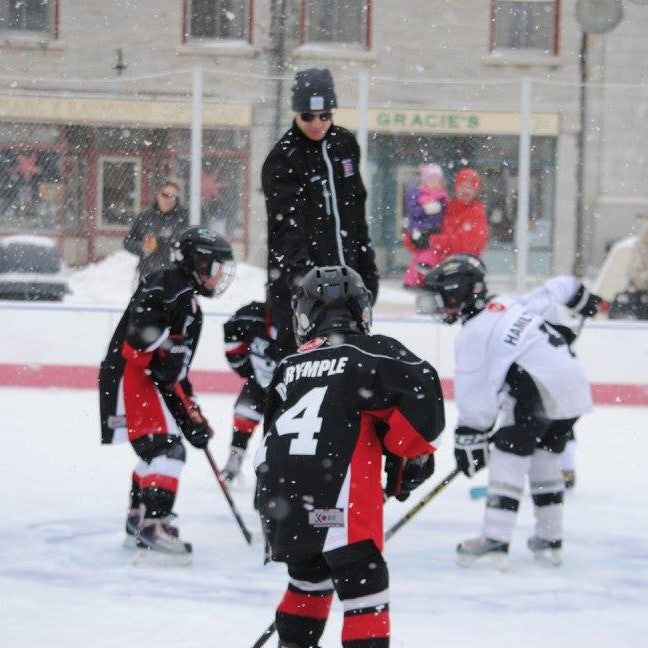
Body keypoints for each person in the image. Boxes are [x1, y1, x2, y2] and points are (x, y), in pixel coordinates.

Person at [256, 265, 445, 648]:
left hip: (279, 502)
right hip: (335, 502)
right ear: (361, 309)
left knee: (308, 578)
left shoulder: (288, 366)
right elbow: (423, 411)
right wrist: (406, 464)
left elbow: (274, 436)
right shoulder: (370, 353)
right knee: (365, 587)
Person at [422, 255, 602, 569]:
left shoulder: (474, 333)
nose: (438, 306)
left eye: (441, 298)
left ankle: (495, 540)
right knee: (546, 457)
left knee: (508, 454)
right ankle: (549, 539)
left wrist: (470, 437)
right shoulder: (506, 304)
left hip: (540, 389)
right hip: (572, 383)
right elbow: (555, 292)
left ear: (460, 293)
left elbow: (475, 396)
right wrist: (580, 297)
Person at [99, 226, 235, 561]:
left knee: (157, 450)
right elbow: (139, 340)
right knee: (166, 450)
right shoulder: (167, 285)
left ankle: (138, 518)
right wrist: (164, 347)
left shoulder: (189, 303)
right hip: (131, 376)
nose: (219, 277)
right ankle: (154, 525)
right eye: (216, 268)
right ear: (198, 264)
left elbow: (177, 372)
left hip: (141, 378)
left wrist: (193, 416)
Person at [262, 68, 379, 356]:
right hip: (303, 294)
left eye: (325, 115)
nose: (317, 124)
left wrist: (366, 269)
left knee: (350, 369)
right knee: (299, 369)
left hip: (348, 287)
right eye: (308, 116)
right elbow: (286, 231)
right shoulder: (283, 159)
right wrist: (306, 283)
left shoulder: (344, 145)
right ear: (296, 113)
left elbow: (356, 213)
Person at [221, 299, 280, 482]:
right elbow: (232, 334)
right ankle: (235, 457)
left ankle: (277, 466)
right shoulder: (252, 315)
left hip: (286, 385)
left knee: (280, 429)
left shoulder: (302, 318)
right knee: (244, 414)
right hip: (260, 380)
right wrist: (246, 367)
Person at [405, 168, 489, 289]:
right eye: (463, 186)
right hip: (435, 277)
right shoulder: (445, 207)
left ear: (476, 191)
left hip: (463, 274)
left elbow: (466, 245)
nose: (465, 191)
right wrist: (414, 237)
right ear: (456, 187)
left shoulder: (477, 213)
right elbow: (423, 230)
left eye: (470, 188)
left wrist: (432, 240)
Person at [124, 179, 189, 279]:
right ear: (158, 194)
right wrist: (142, 247)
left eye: (173, 197)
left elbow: (193, 244)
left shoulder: (185, 218)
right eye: (165, 195)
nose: (169, 200)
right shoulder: (144, 217)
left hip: (176, 276)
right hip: (148, 274)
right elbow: (128, 241)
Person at [402, 163, 449, 288]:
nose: (435, 183)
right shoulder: (417, 193)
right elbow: (413, 211)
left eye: (438, 180)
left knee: (426, 252)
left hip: (434, 230)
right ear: (425, 181)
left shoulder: (442, 196)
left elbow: (445, 212)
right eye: (431, 180)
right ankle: (422, 268)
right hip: (419, 230)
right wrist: (425, 209)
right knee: (426, 251)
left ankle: (414, 279)